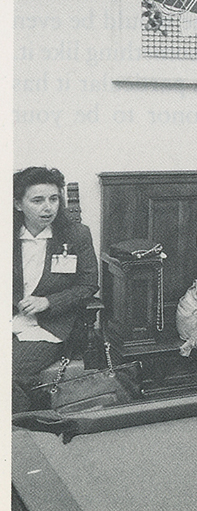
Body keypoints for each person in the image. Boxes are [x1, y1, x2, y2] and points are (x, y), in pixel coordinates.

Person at [12, 167, 98, 412]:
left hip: (49, 327)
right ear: (18, 204)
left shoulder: (76, 235)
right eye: (37, 200)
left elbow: (88, 285)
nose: (48, 208)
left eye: (53, 199)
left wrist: (48, 302)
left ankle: (26, 429)